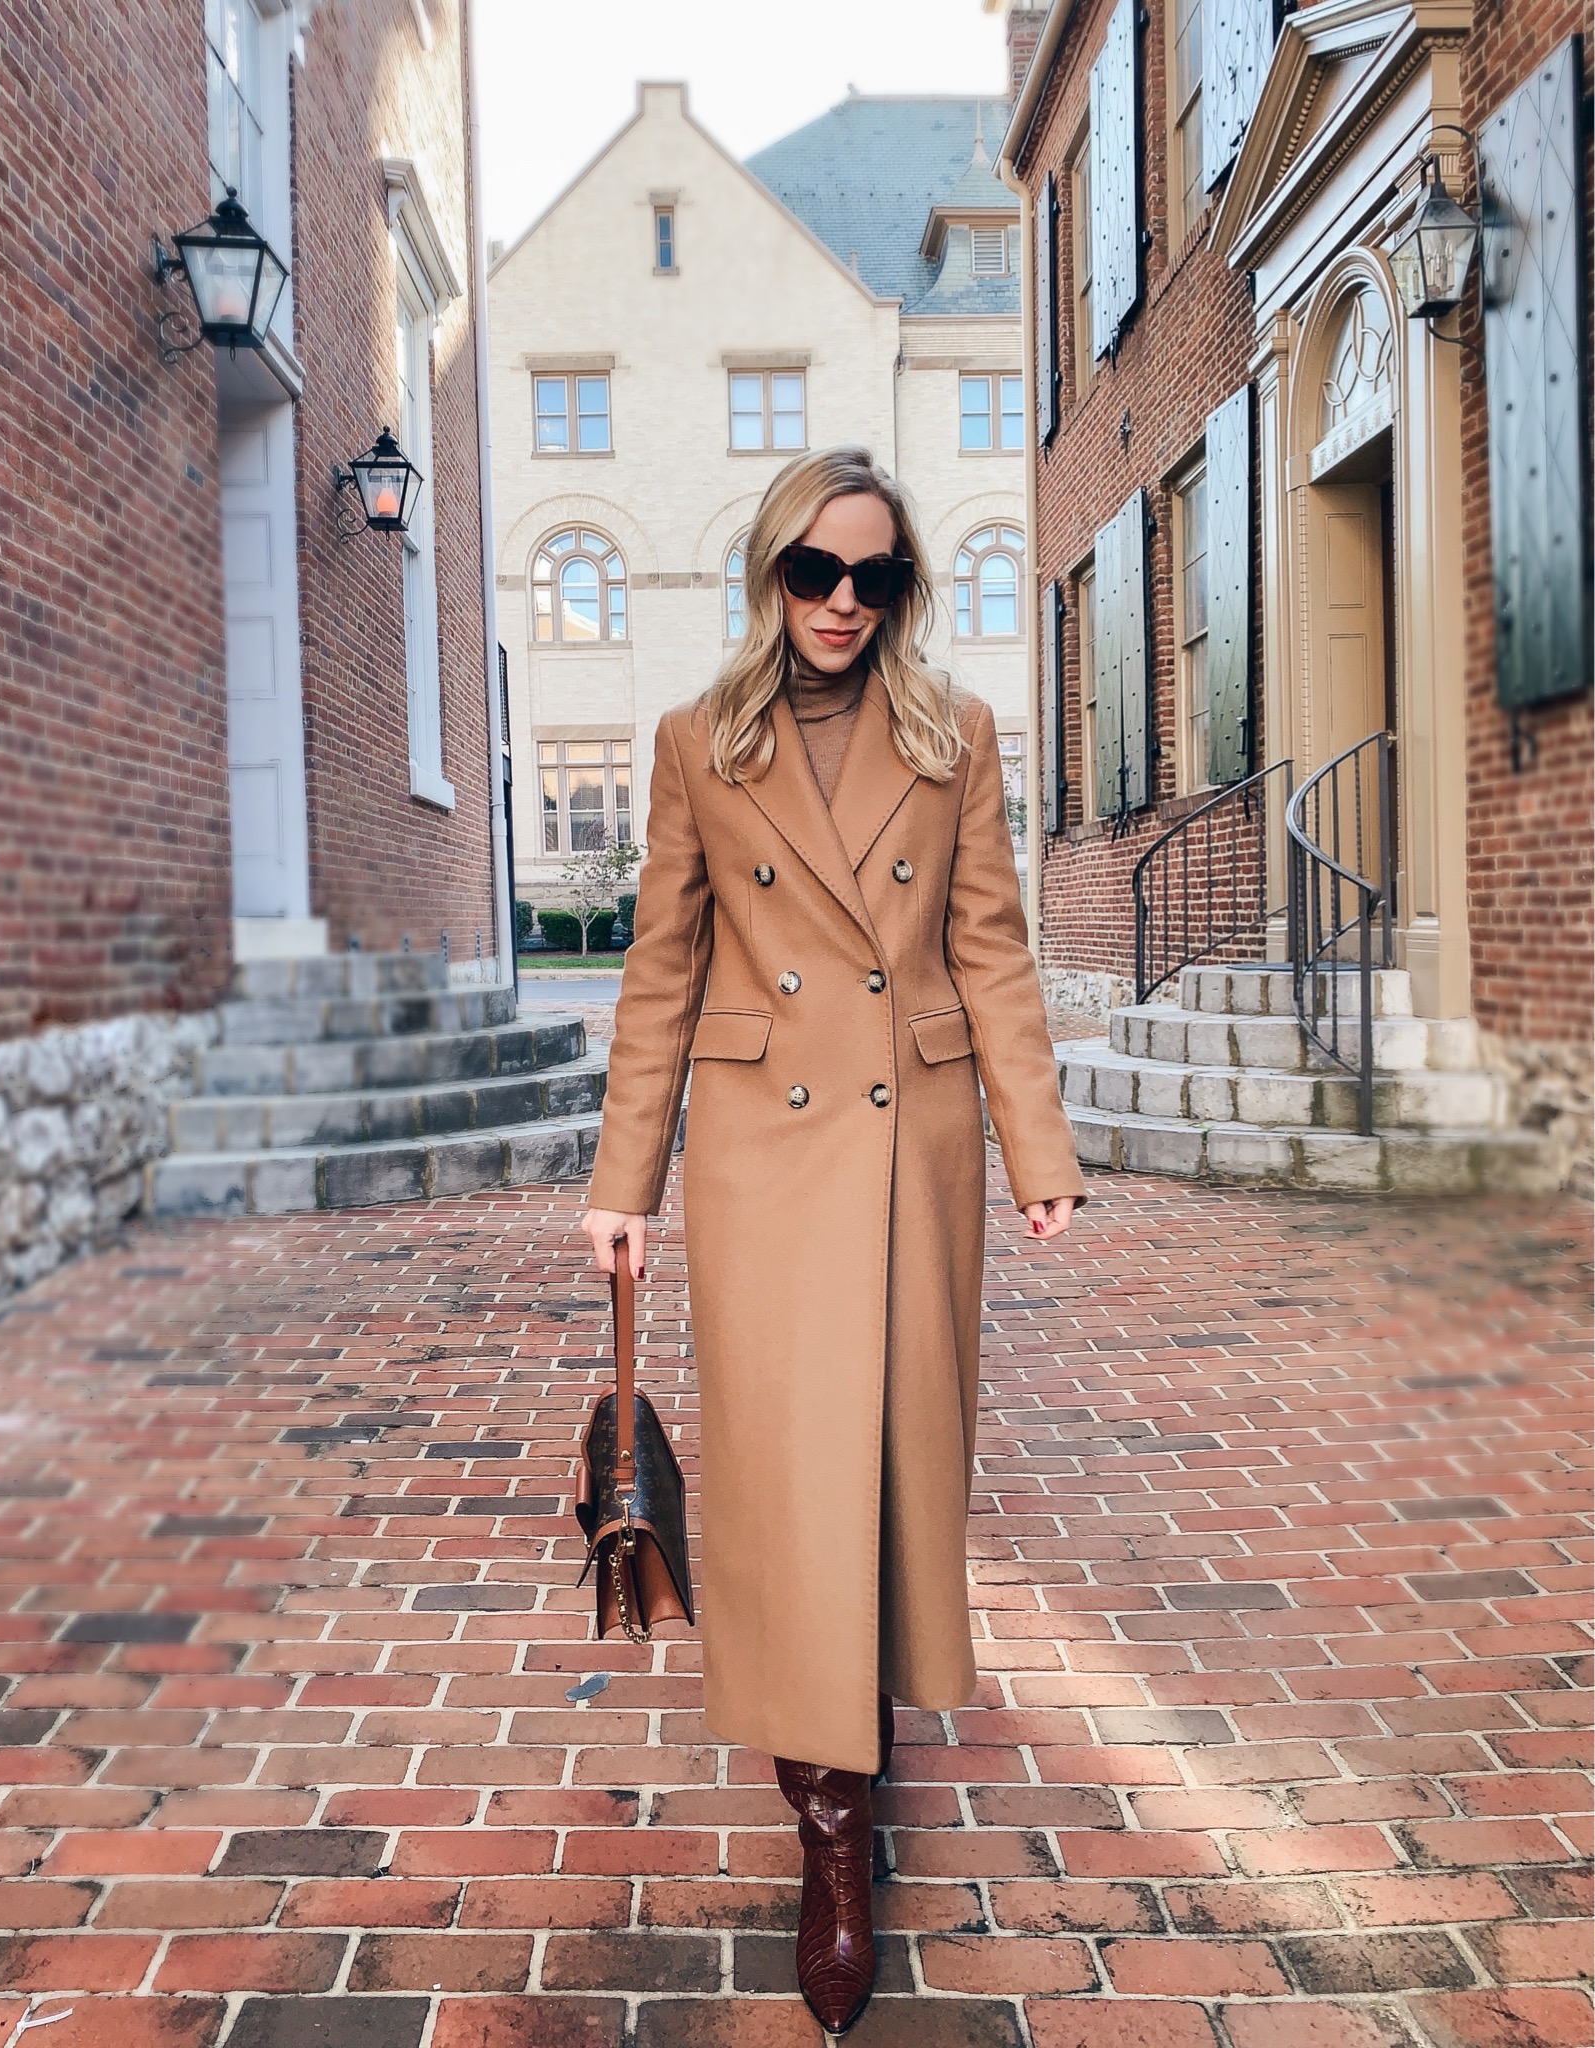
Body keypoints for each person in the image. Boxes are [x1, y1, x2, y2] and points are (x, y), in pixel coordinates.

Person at [580, 444, 1085, 2036]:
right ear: (772, 572)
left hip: (913, 1140)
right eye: (817, 572)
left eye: (875, 576)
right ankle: (833, 1836)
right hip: (761, 1149)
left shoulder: (956, 733)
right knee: (794, 1470)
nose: (845, 604)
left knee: (893, 1454)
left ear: (904, 587)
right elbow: (662, 968)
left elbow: (989, 949)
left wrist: (1036, 1145)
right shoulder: (694, 741)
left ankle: (857, 1736)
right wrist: (624, 1183)